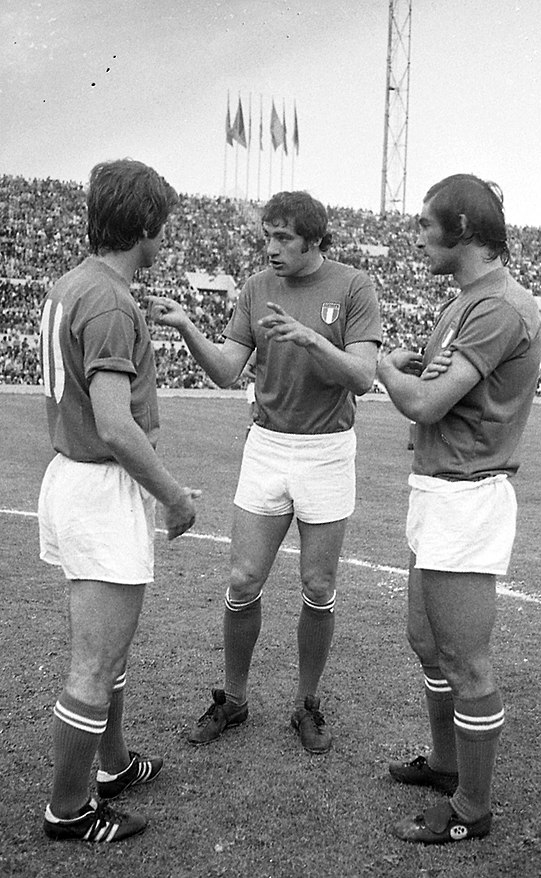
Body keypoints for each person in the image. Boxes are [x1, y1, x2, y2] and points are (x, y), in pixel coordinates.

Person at [146, 190, 382, 754]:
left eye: (283, 238)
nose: (271, 248)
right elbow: (229, 370)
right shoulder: (255, 288)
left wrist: (311, 340)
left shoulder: (354, 287)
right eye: (267, 237)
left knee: (318, 586)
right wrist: (185, 327)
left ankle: (307, 705)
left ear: (314, 240)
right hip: (267, 447)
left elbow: (363, 376)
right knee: (242, 580)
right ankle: (233, 698)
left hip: (327, 452)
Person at [377, 174, 541, 845]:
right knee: (427, 641)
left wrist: (385, 368)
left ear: (464, 229)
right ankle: (448, 765)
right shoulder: (466, 300)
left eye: (425, 224)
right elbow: (439, 390)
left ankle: (473, 807)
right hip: (440, 488)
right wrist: (415, 368)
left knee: (467, 660)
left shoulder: (501, 305)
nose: (417, 236)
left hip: (469, 495)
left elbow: (423, 404)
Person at [38, 159, 199, 843]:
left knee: (110, 651)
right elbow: (113, 421)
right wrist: (173, 496)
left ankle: (112, 767)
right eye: (161, 223)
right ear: (143, 224)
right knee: (96, 661)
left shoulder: (74, 282)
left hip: (77, 481)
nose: (165, 236)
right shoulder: (108, 299)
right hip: (99, 486)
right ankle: (68, 811)